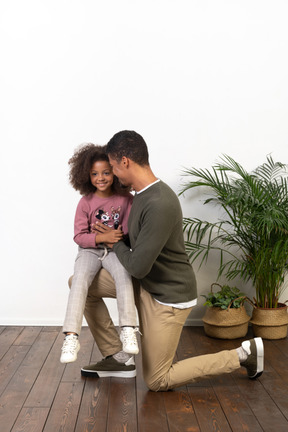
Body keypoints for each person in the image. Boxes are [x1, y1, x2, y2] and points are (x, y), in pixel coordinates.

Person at [79, 131, 264, 391]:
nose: (113, 176)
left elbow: (137, 266)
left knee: (157, 380)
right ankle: (116, 358)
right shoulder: (140, 195)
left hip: (167, 298)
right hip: (146, 284)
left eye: (112, 168)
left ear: (125, 162)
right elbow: (137, 251)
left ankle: (243, 355)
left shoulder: (159, 202)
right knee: (80, 284)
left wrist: (113, 242)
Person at [60, 143, 139, 364]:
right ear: (86, 175)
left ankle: (128, 329)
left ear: (115, 172)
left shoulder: (126, 200)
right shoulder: (85, 202)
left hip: (115, 251)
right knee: (79, 282)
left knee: (124, 277)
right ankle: (71, 336)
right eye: (95, 174)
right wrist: (102, 237)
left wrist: (116, 237)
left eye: (106, 172)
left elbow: (126, 231)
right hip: (89, 252)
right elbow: (79, 236)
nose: (101, 178)